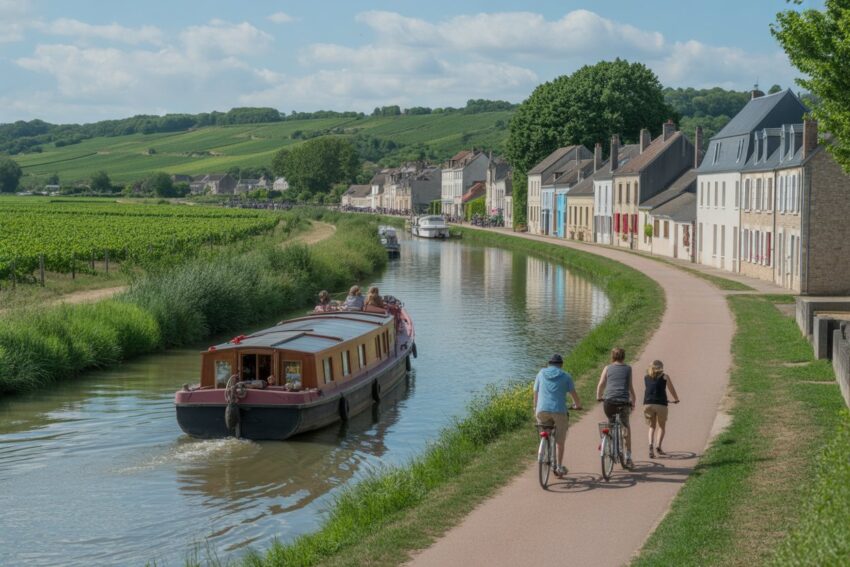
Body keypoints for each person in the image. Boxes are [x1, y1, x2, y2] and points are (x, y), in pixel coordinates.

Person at [534, 354, 582, 477]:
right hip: (559, 410)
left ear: (548, 364)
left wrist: (535, 408)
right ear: (561, 365)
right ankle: (559, 467)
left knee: (544, 431)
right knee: (560, 441)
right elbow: (574, 395)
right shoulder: (566, 376)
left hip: (541, 410)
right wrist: (577, 405)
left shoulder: (540, 373)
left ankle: (544, 447)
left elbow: (536, 392)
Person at [596, 347, 637, 469]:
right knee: (626, 426)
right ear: (623, 357)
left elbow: (601, 384)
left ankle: (608, 443)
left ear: (612, 357)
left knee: (611, 422)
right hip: (623, 402)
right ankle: (628, 457)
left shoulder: (607, 368)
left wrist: (599, 397)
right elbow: (630, 387)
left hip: (609, 402)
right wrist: (633, 401)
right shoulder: (628, 368)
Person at [643, 360, 680, 458]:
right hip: (661, 404)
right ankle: (658, 447)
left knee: (652, 426)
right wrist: (676, 399)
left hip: (648, 403)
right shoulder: (665, 376)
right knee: (661, 426)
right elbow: (671, 389)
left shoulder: (646, 377)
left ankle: (650, 445)